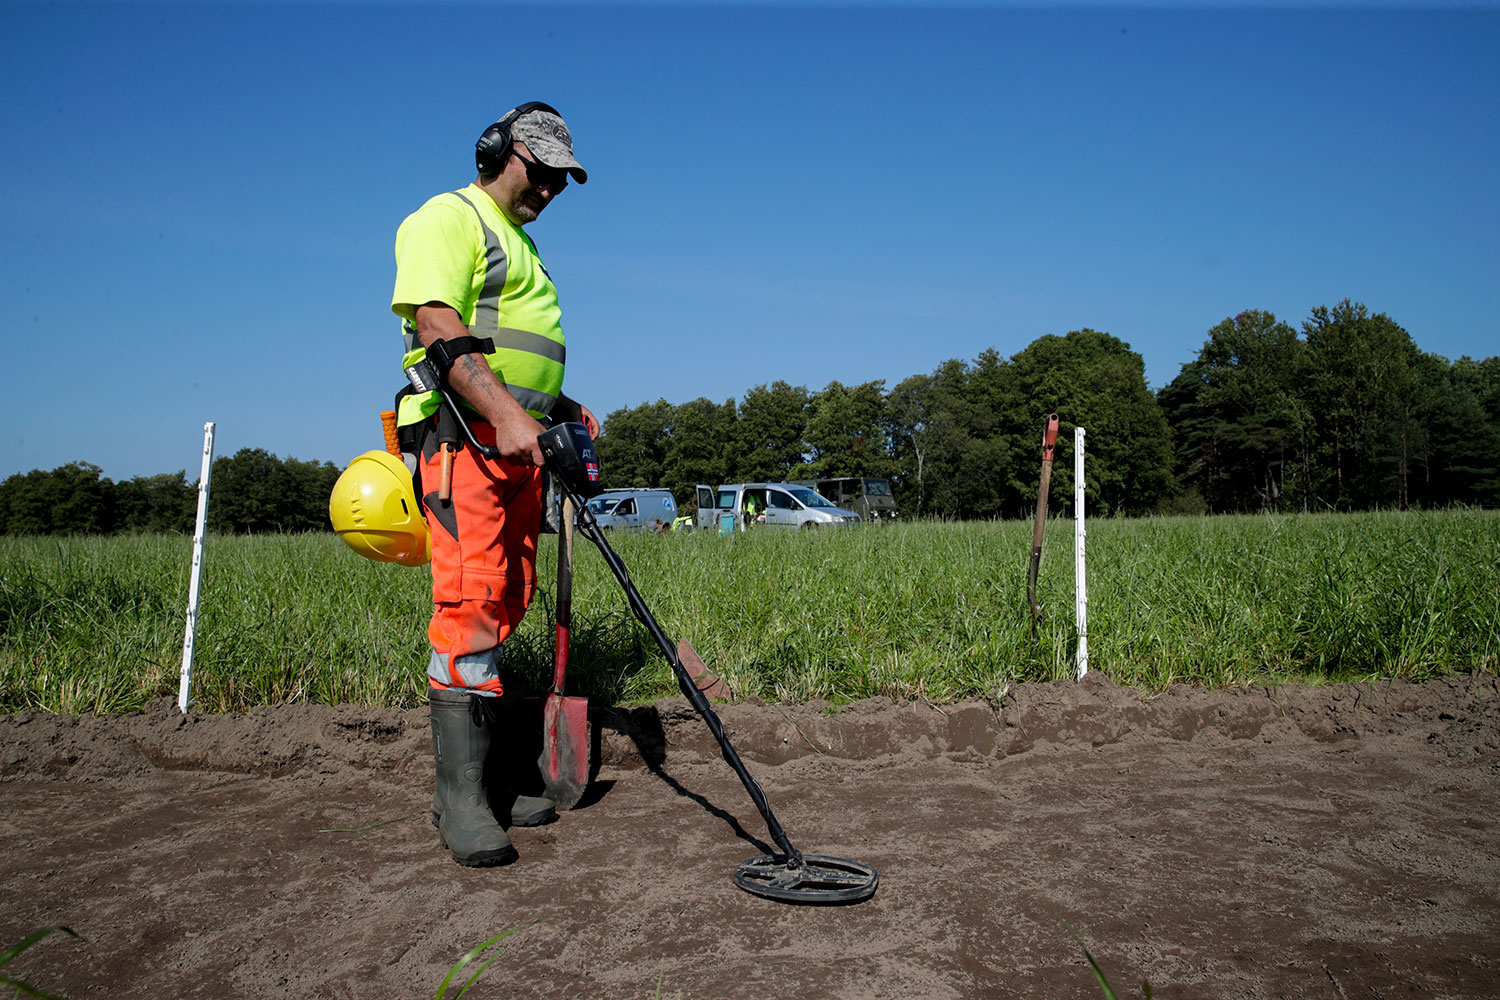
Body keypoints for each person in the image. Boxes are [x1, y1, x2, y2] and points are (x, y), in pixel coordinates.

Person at [390, 102, 599, 869]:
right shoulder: (451, 218)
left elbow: (511, 344)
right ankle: (460, 801)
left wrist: (558, 409)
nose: (550, 187)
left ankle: (499, 778)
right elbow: (439, 326)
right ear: (496, 153)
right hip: (466, 440)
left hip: (517, 445)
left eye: (561, 180)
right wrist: (510, 414)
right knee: (471, 604)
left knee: (506, 600)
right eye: (539, 170)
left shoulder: (523, 244)